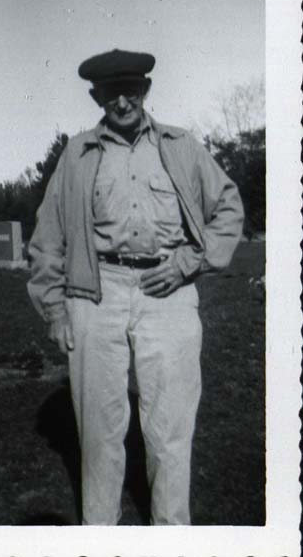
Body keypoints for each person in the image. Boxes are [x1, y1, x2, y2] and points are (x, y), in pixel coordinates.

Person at [27, 48, 244, 526]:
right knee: (100, 431)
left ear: (145, 90)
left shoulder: (181, 145)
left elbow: (227, 210)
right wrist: (56, 308)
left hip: (168, 292)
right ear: (95, 96)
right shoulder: (78, 154)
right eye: (110, 92)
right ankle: (99, 534)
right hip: (95, 293)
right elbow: (47, 237)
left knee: (169, 428)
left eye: (131, 89)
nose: (122, 100)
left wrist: (191, 260)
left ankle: (171, 535)